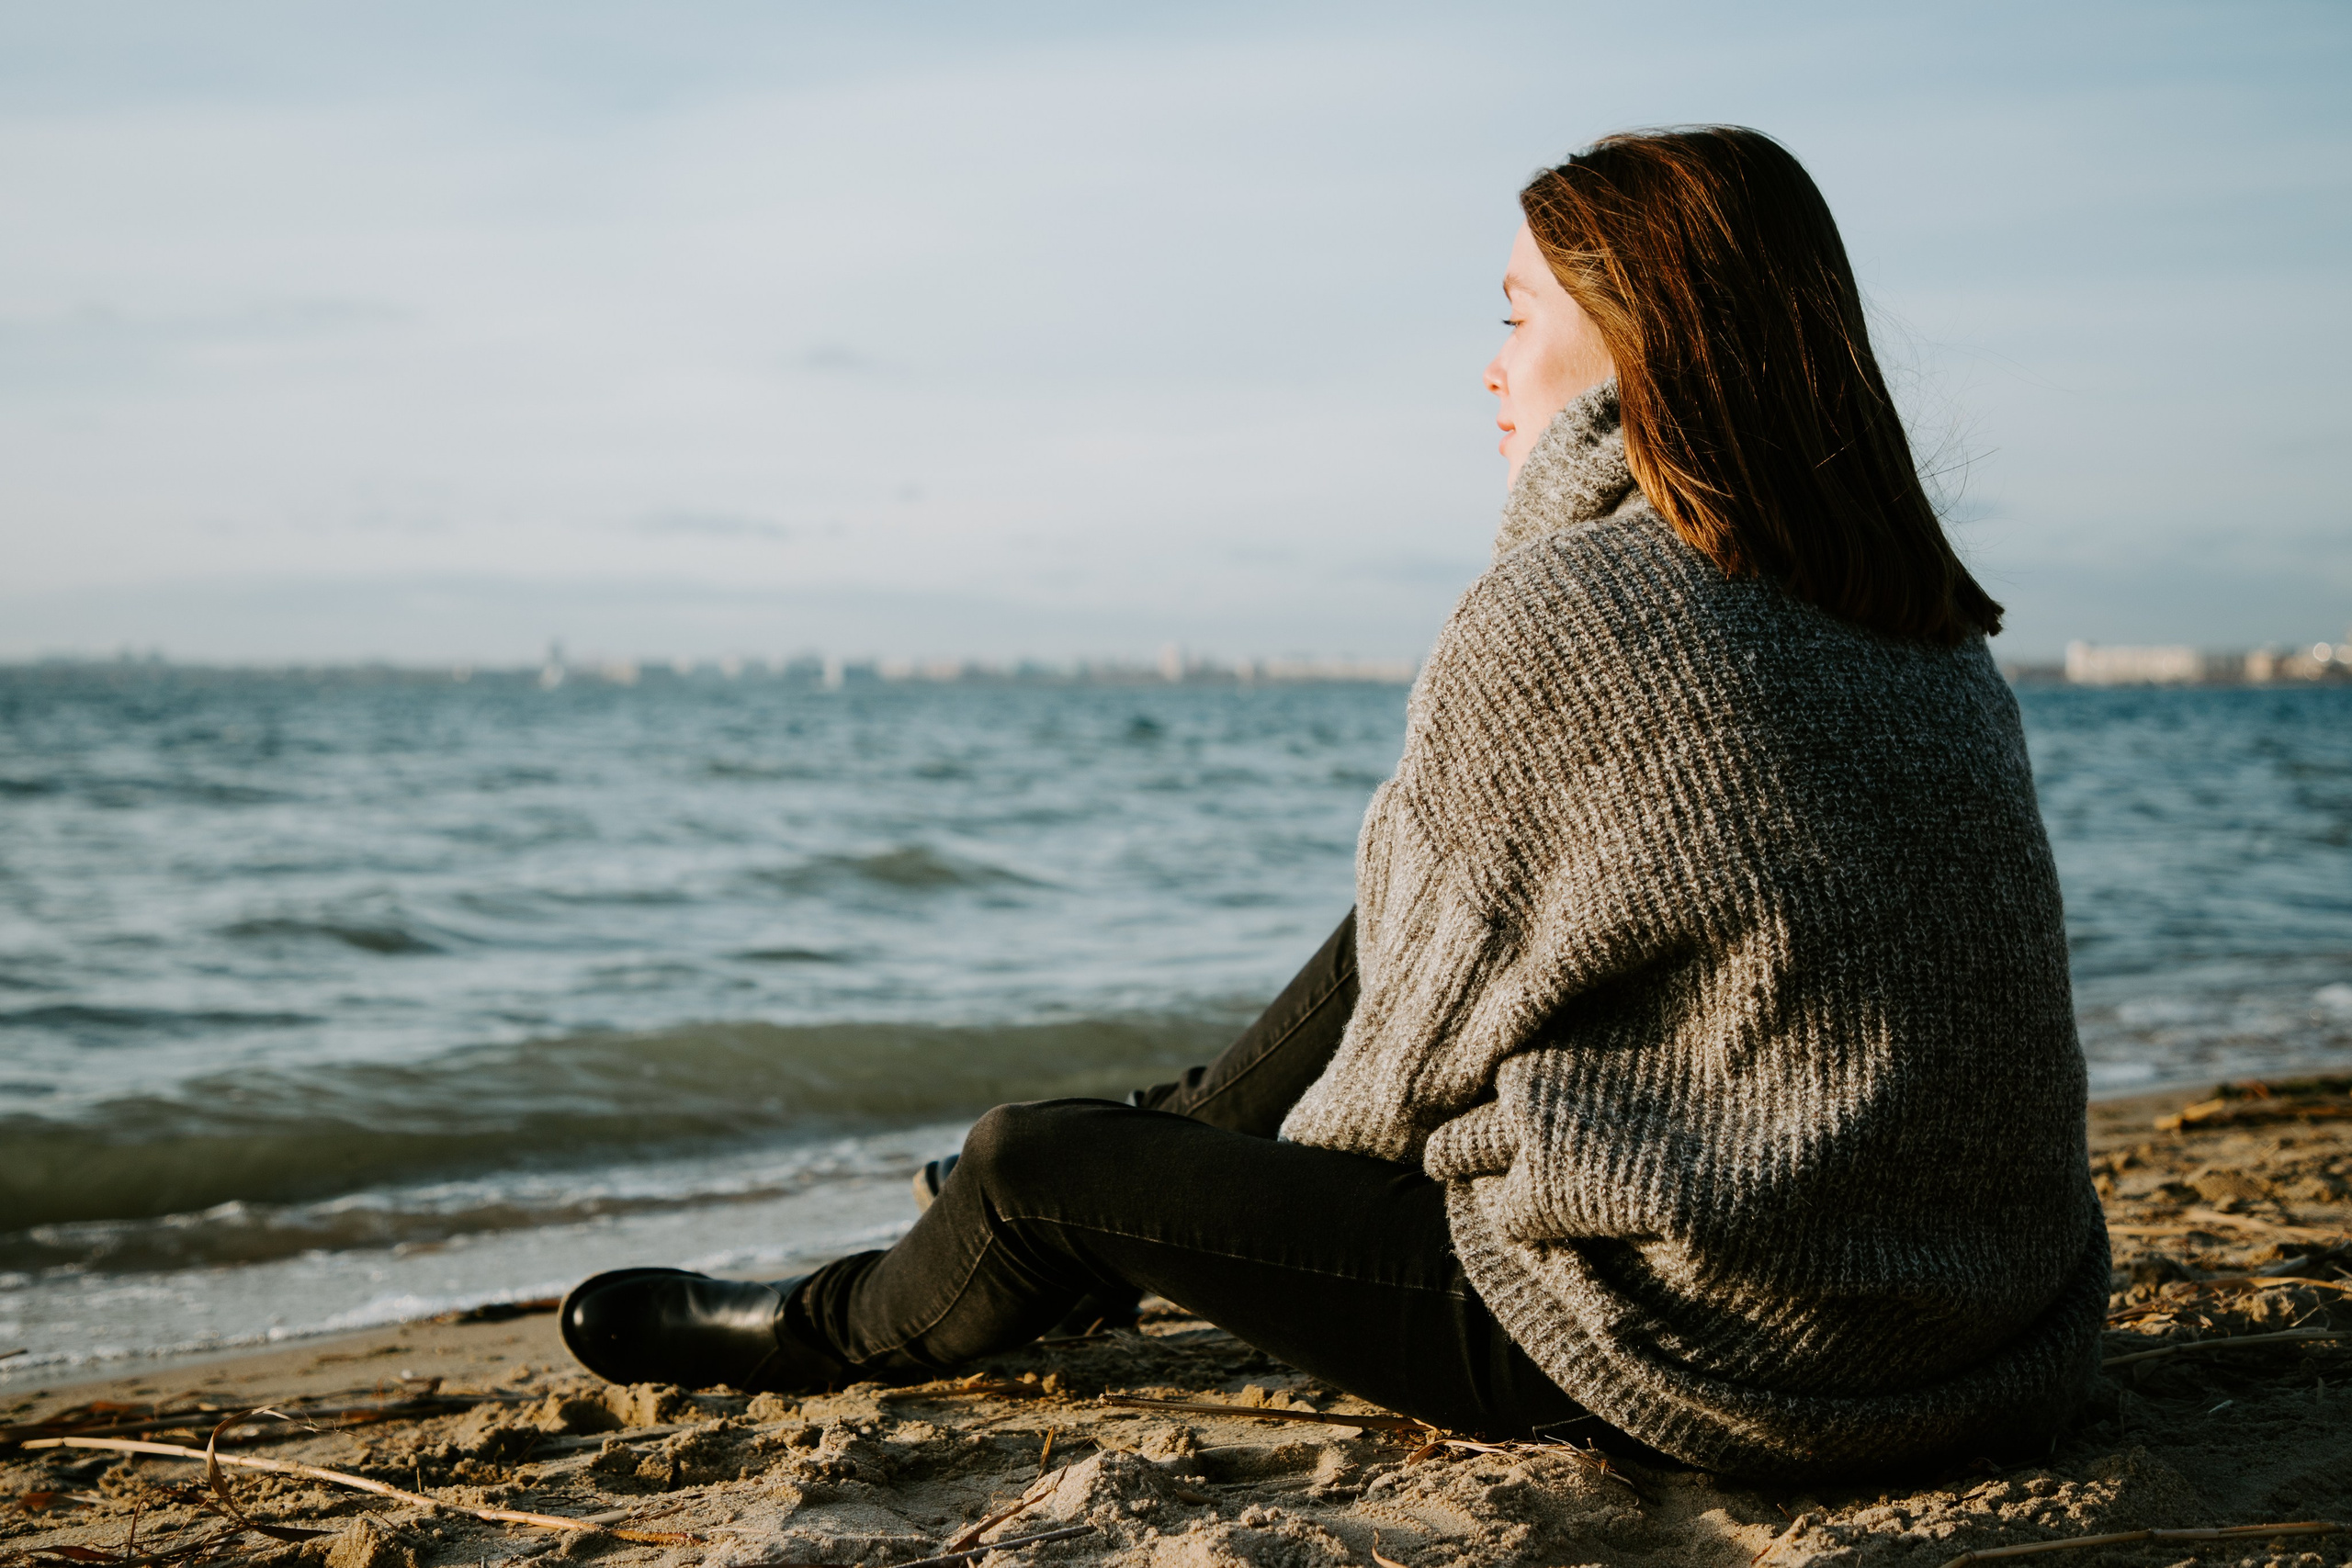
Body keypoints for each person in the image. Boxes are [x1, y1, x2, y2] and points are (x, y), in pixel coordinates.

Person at [560, 125, 2108, 1483]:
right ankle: (1132, 1148)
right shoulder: (1919, 622)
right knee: (1401, 926)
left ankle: (830, 1323)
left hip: (1726, 1354)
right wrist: (1200, 1140)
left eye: (1516, 318)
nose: (1493, 367)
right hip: (1988, 1330)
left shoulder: (1569, 610)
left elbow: (1379, 1115)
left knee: (1034, 1163)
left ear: (1642, 339)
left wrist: (1161, 1187)